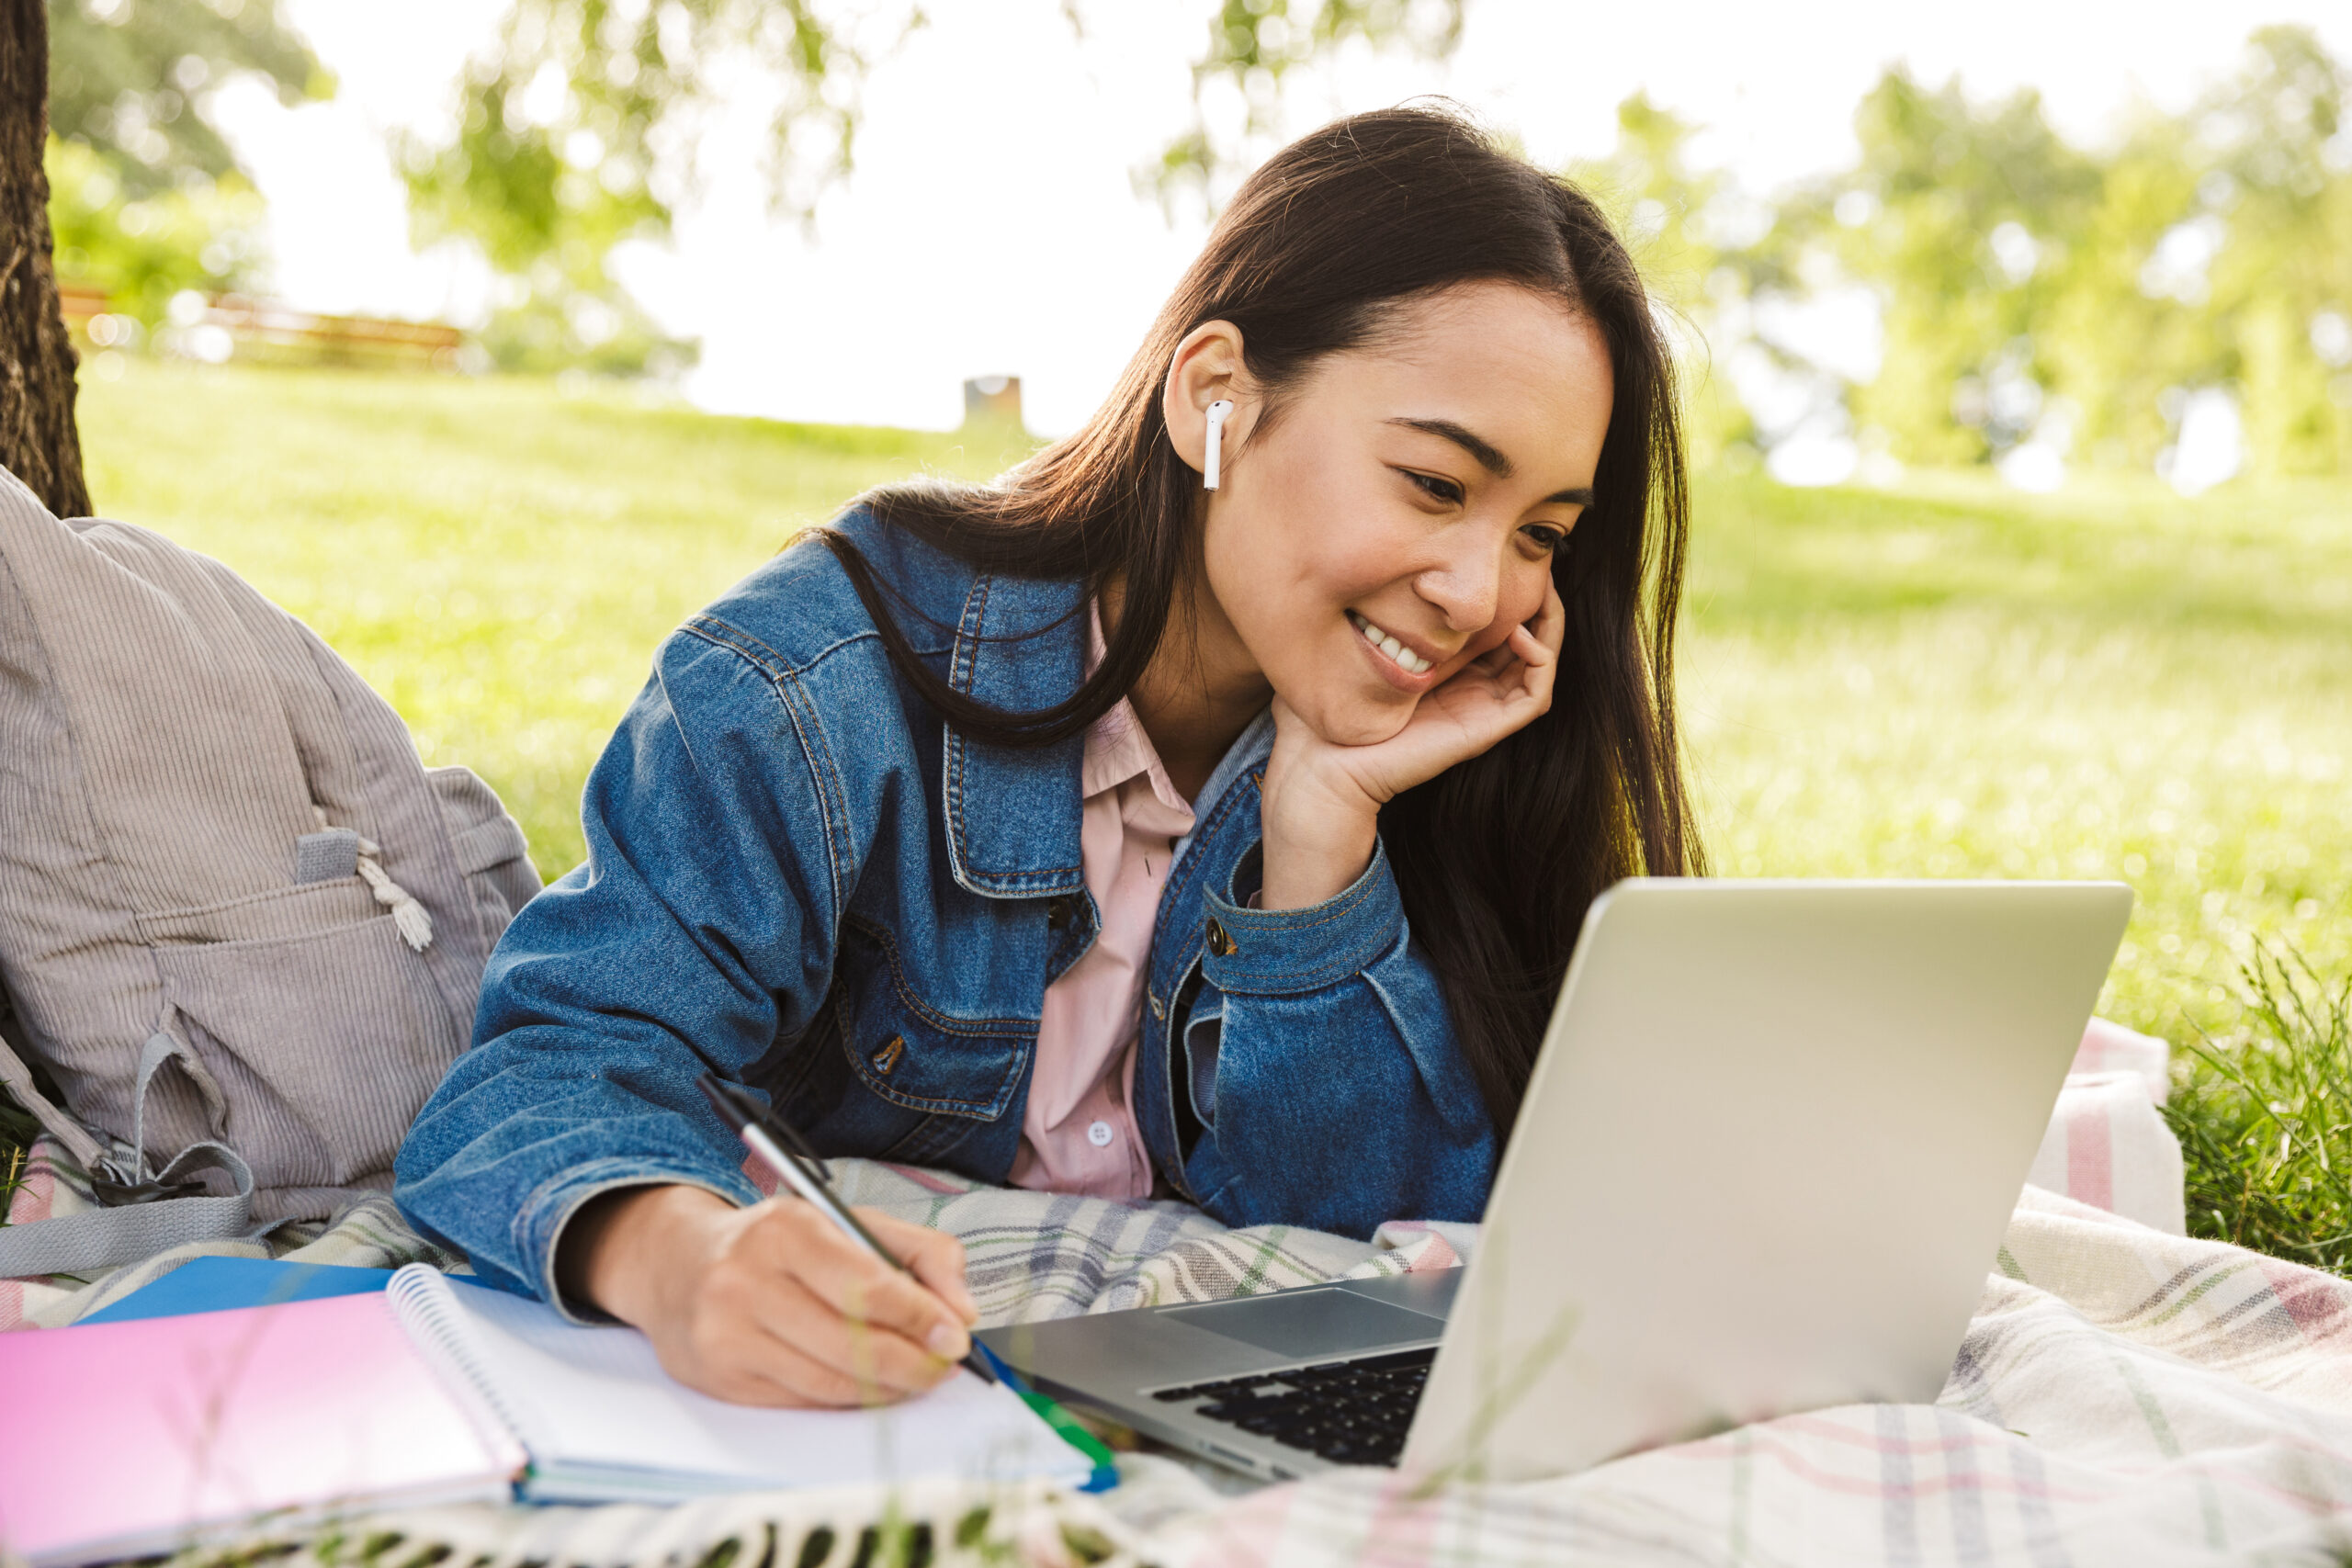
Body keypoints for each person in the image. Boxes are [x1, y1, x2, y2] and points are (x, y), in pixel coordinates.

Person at [393, 104, 1703, 1412]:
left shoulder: (1443, 755)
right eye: (1433, 484)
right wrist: (683, 1259)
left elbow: (1388, 1239)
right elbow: (549, 1066)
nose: (1482, 592)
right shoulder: (817, 684)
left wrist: (1323, 831)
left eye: (1543, 534)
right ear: (1215, 399)